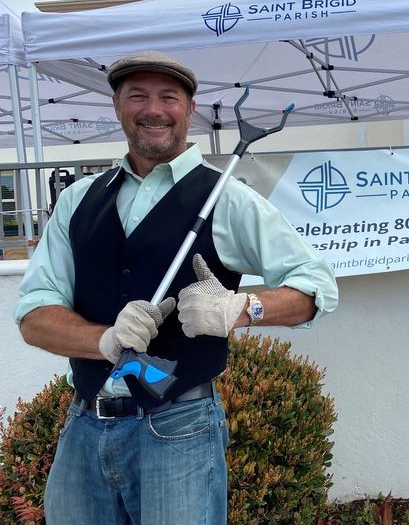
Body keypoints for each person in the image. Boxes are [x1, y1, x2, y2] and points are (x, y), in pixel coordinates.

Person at [14, 51, 339, 524]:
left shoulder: (225, 197)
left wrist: (241, 307)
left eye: (169, 97)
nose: (154, 109)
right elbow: (34, 315)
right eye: (137, 96)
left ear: (189, 110)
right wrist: (102, 340)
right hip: (84, 427)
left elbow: (316, 287)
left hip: (179, 428)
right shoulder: (77, 202)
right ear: (117, 106)